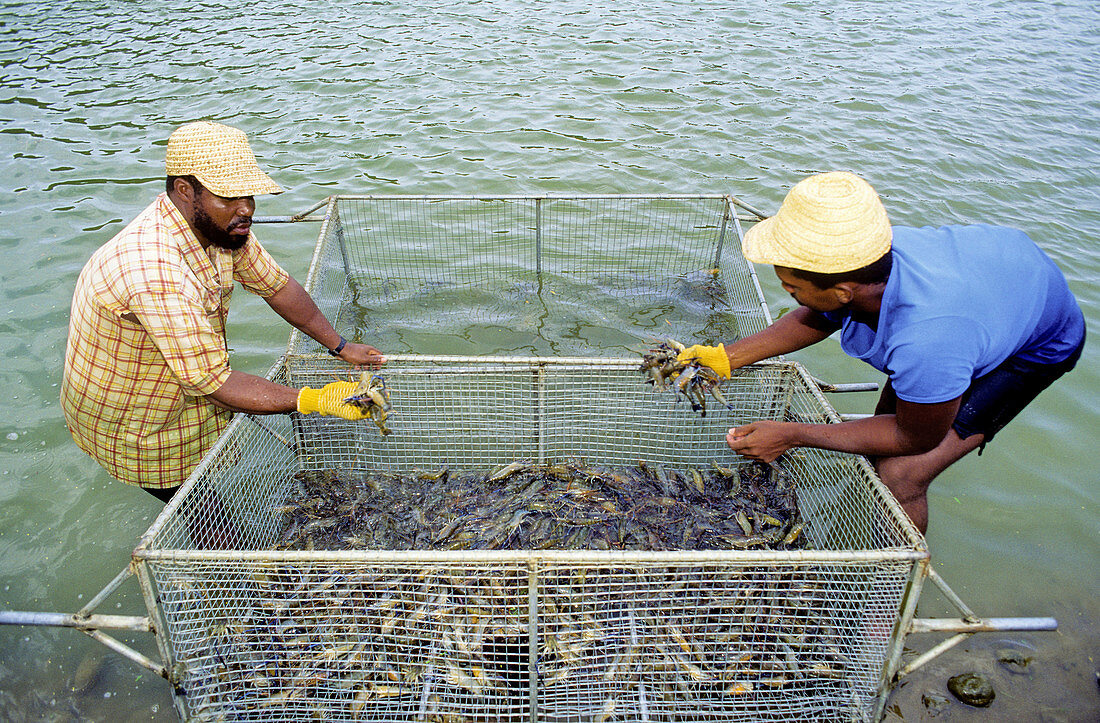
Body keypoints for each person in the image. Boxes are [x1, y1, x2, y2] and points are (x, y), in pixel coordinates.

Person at [677, 171, 1085, 533]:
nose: (789, 293)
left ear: (842, 291)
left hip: (1034, 342)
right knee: (882, 429)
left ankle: (887, 604)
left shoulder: (928, 338)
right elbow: (817, 315)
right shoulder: (866, 258)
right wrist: (725, 357)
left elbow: (915, 435)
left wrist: (793, 435)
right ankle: (867, 516)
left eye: (793, 288)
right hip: (995, 286)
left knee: (901, 471)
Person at [61, 121, 382, 503]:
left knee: (202, 491)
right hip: (134, 416)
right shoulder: (154, 269)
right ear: (185, 190)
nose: (246, 209)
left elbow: (276, 286)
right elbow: (212, 384)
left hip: (183, 391)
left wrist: (341, 346)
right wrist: (316, 399)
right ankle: (232, 556)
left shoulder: (222, 228)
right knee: (199, 508)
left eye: (248, 194)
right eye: (228, 197)